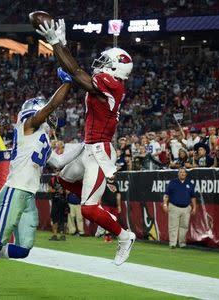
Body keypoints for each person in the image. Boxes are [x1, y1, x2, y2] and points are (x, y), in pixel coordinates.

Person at [0, 68, 83, 299]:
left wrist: (85, 145)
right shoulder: (27, 126)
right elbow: (50, 107)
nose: (50, 118)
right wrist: (68, 84)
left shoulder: (42, 139)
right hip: (15, 190)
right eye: (44, 113)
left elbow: (59, 162)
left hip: (28, 195)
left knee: (23, 250)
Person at [37, 19, 136, 266]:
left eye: (105, 62)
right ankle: (98, 202)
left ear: (115, 69)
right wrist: (62, 46)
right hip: (88, 147)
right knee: (61, 179)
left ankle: (125, 236)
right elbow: (76, 72)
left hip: (100, 151)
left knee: (88, 211)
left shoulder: (113, 85)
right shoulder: (107, 82)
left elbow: (76, 73)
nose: (100, 65)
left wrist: (57, 43)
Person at [163, 168, 197, 249]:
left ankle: (182, 243)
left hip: (186, 208)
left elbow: (193, 197)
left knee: (184, 227)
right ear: (178, 174)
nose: (182, 174)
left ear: (186, 174)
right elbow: (166, 194)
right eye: (180, 172)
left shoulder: (190, 184)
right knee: (173, 226)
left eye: (183, 172)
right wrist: (165, 204)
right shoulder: (173, 182)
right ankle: (172, 244)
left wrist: (194, 207)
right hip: (174, 207)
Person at [98, 178, 122, 243]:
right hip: (106, 204)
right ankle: (107, 235)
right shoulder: (104, 183)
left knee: (113, 221)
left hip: (114, 205)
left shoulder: (116, 183)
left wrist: (119, 206)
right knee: (107, 219)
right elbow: (100, 193)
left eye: (114, 174)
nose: (112, 175)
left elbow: (118, 195)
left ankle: (109, 235)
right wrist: (99, 203)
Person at [49, 176, 67, 241]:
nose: (58, 172)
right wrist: (57, 190)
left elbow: (68, 191)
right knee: (54, 219)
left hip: (63, 202)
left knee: (63, 220)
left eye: (59, 170)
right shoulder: (52, 180)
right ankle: (55, 235)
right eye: (57, 170)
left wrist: (63, 191)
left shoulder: (65, 180)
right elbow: (49, 189)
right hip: (55, 202)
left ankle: (63, 235)